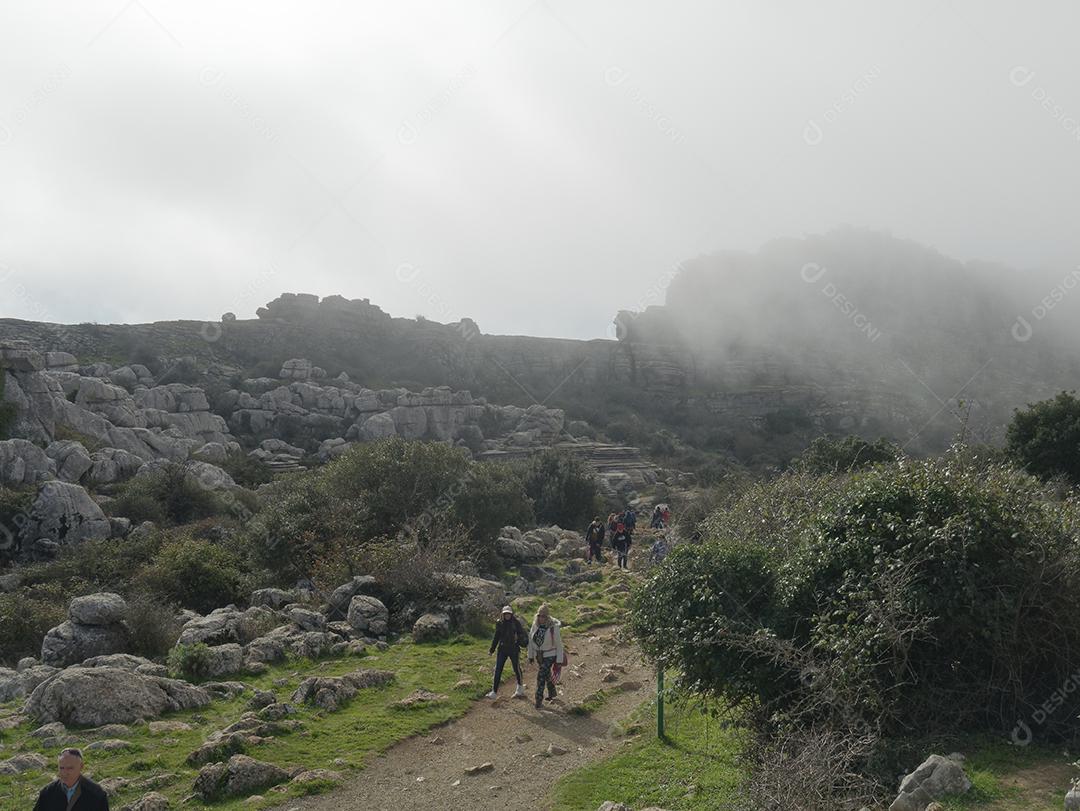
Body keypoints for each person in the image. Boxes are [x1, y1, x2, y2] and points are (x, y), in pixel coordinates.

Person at [34, 748, 110, 811]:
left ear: (81, 766)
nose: (64, 773)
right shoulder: (47, 793)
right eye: (61, 768)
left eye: (70, 768)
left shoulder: (96, 794)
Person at [527, 603, 564, 709]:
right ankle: (552, 692)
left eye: (543, 616)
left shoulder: (553, 628)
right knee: (547, 674)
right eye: (539, 615)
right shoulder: (535, 625)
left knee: (541, 676)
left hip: (550, 654)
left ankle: (538, 700)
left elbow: (559, 644)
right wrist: (530, 656)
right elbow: (530, 640)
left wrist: (559, 660)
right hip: (539, 655)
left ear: (547, 617)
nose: (540, 618)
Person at [487, 605, 527, 699]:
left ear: (511, 614)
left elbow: (522, 634)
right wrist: (491, 650)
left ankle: (520, 687)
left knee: (516, 668)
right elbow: (496, 637)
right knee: (498, 670)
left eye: (509, 613)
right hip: (502, 649)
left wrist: (519, 638)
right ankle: (494, 692)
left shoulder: (516, 622)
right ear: (503, 614)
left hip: (514, 649)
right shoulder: (499, 623)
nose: (507, 615)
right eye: (505, 613)